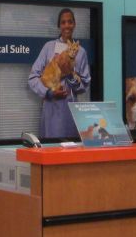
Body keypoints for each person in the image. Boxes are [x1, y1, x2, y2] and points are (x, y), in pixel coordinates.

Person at [27, 8, 91, 139]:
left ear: (74, 24)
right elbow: (33, 77)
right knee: (51, 149)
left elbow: (84, 84)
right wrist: (48, 93)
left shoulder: (80, 52)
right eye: (63, 22)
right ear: (59, 25)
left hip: (70, 109)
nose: (67, 25)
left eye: (70, 22)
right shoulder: (48, 47)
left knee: (70, 152)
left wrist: (69, 75)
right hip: (51, 107)